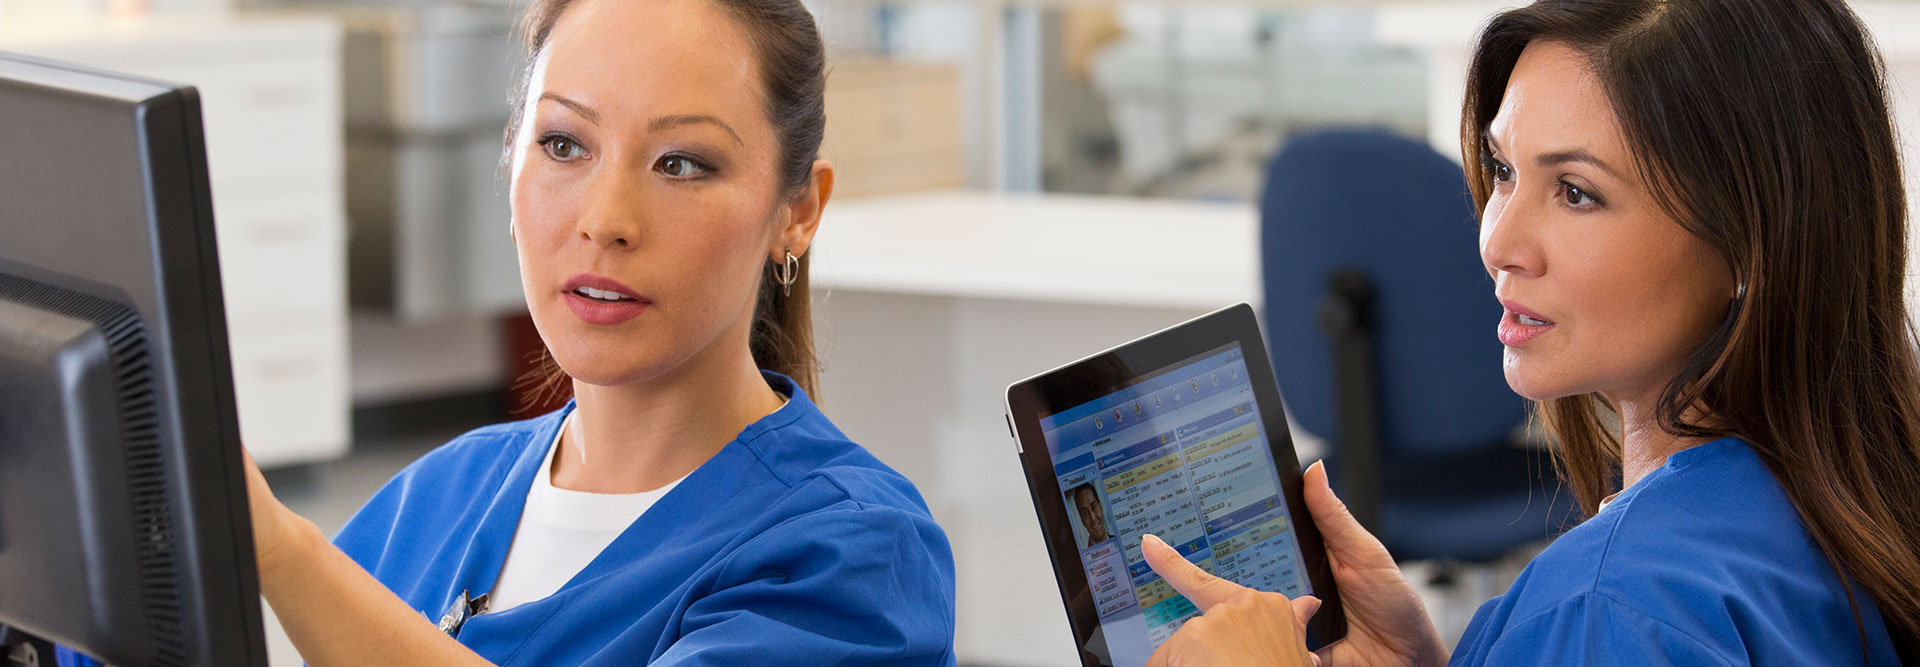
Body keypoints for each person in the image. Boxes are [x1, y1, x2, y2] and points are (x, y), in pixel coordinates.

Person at [1137, 0, 1920, 665]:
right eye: (1504, 170)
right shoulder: (1842, 512)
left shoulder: (1614, 605)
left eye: (1576, 192)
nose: (1497, 242)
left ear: (1751, 248)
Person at [238, 0, 957, 663]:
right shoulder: (433, 500)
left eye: (681, 163)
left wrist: (280, 551)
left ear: (796, 211)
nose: (606, 219)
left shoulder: (851, 555)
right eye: (563, 145)